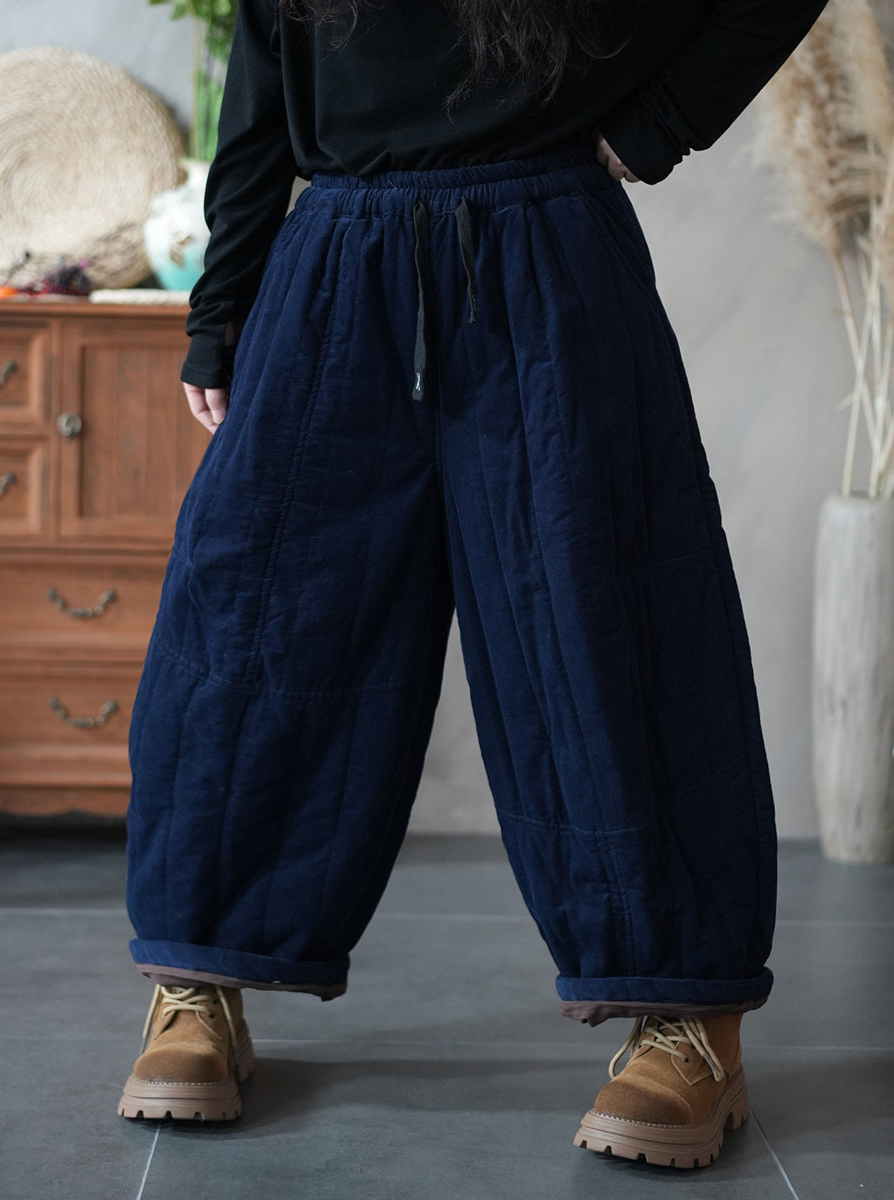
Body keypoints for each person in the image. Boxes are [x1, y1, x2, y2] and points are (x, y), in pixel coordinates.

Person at [118, 0, 827, 1169]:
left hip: (550, 254)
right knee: (249, 630)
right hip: (334, 262)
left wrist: (661, 122)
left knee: (609, 629)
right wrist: (222, 305)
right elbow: (261, 84)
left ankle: (687, 1019)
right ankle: (199, 982)